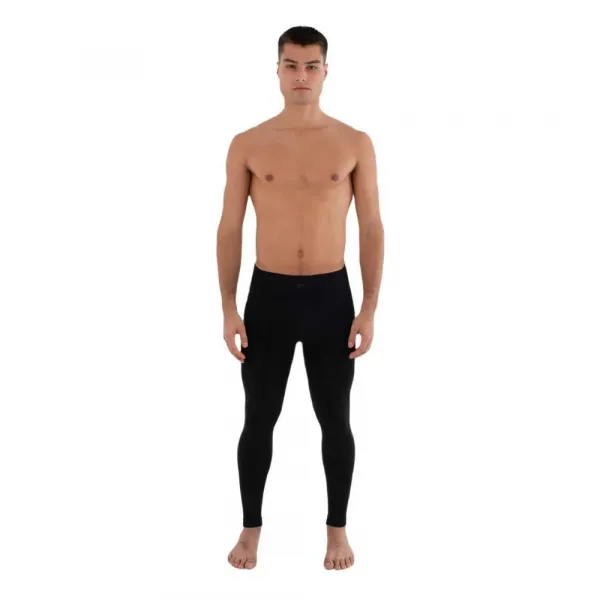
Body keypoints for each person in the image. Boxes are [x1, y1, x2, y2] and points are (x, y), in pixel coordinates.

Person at [217, 25, 384, 571]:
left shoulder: (354, 142)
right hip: (267, 297)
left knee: (335, 420)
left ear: (326, 71)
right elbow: (230, 227)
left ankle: (337, 531)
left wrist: (369, 307)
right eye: (291, 65)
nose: (301, 76)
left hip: (331, 298)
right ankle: (250, 530)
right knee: (258, 419)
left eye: (311, 66)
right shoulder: (248, 143)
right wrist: (228, 306)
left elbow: (371, 226)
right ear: (277, 70)